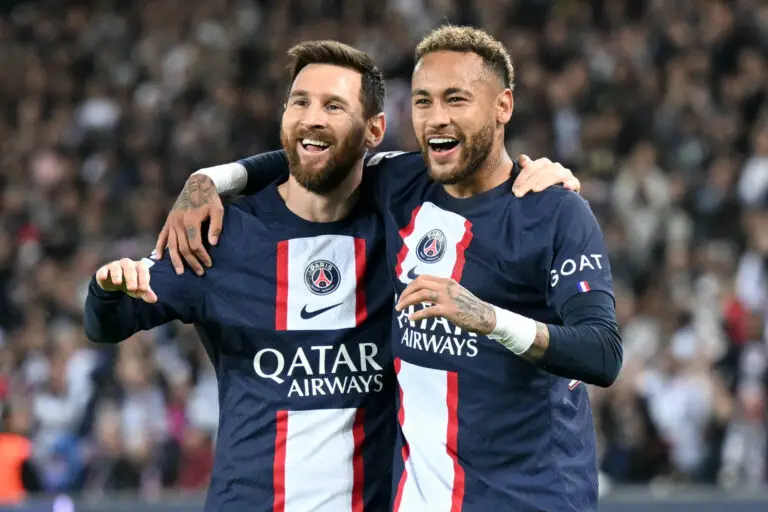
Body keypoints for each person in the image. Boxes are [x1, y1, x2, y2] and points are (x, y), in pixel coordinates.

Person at [156, 28, 617, 511]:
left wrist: (489, 319)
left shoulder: (553, 210)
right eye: (423, 101)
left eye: (456, 99)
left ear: (503, 106)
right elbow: (319, 153)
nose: (436, 117)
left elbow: (602, 353)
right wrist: (210, 179)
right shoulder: (403, 182)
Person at [85, 41, 399, 512]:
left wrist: (216, 176)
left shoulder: (401, 219)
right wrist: (108, 286)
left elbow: (471, 168)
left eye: (333, 106)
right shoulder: (220, 235)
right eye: (299, 102)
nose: (311, 118)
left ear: (375, 129)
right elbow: (106, 325)